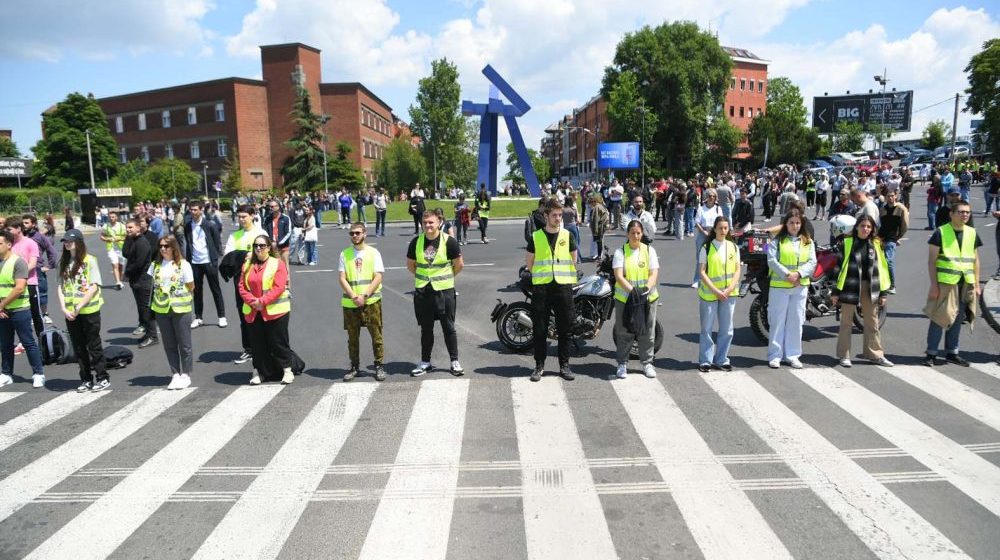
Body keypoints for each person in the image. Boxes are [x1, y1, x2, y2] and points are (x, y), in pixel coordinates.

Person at [922, 200, 981, 368]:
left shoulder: (972, 233)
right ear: (952, 214)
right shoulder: (940, 232)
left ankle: (952, 352)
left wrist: (976, 284)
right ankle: (931, 353)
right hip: (946, 283)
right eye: (961, 212)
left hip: (966, 283)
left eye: (967, 212)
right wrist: (934, 285)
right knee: (939, 318)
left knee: (957, 319)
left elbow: (976, 260)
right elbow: (931, 261)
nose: (965, 215)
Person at [831, 215, 894, 368]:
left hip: (870, 287)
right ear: (856, 227)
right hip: (849, 286)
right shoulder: (847, 243)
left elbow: (882, 269)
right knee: (846, 322)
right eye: (863, 226)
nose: (865, 229)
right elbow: (838, 269)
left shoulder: (876, 244)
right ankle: (844, 355)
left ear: (872, 229)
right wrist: (835, 292)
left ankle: (875, 354)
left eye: (868, 227)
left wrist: (883, 293)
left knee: (872, 322)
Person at [406, 210, 464, 376]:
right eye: (425, 223)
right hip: (424, 291)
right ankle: (425, 362)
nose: (428, 225)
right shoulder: (416, 242)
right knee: (426, 329)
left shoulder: (449, 241)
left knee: (448, 327)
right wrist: (425, 278)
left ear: (439, 222)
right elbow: (411, 265)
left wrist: (446, 278)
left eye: (431, 222)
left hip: (444, 291)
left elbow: (459, 264)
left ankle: (454, 361)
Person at [526, 198, 577, 382]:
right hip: (542, 288)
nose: (557, 218)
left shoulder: (567, 235)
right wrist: (541, 276)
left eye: (560, 215)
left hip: (563, 287)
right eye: (554, 215)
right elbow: (530, 263)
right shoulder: (536, 236)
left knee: (565, 329)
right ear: (546, 215)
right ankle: (539, 366)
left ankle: (564, 365)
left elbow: (573, 260)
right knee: (540, 329)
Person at [239, 235, 296, 385]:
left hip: (276, 311)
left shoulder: (277, 264)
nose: (258, 248)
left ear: (269, 248)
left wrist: (262, 302)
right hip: (253, 311)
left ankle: (287, 370)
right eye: (256, 245)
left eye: (262, 246)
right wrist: (253, 302)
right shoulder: (247, 265)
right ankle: (259, 371)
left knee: (278, 342)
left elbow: (278, 287)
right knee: (257, 344)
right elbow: (242, 287)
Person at [57, 229, 108, 392]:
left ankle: (102, 377)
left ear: (78, 242)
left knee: (93, 345)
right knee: (79, 347)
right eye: (65, 241)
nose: (67, 243)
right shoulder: (64, 262)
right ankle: (86, 379)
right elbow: (61, 286)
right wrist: (64, 308)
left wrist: (79, 306)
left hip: (88, 309)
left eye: (70, 241)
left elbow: (94, 286)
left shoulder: (89, 260)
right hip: (71, 312)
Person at [766, 212, 817, 369]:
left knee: (796, 321)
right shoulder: (777, 241)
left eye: (797, 223)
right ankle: (775, 355)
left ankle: (793, 355)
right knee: (777, 321)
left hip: (799, 286)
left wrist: (798, 274)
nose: (795, 226)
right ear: (785, 224)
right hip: (780, 286)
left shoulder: (808, 242)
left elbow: (812, 261)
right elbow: (772, 260)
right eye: (791, 223)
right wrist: (787, 275)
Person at [338, 223, 386, 381]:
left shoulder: (374, 253)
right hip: (351, 303)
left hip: (371, 301)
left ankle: (379, 365)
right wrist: (353, 296)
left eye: (357, 233)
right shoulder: (344, 254)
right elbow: (342, 278)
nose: (354, 236)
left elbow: (378, 276)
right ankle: (354, 366)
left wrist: (364, 296)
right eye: (351, 233)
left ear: (365, 234)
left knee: (376, 335)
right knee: (352, 337)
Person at [613, 220, 660, 378]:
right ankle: (622, 364)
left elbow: (653, 273)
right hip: (625, 299)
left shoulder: (649, 251)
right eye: (632, 233)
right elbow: (619, 276)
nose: (635, 236)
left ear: (642, 234)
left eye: (638, 233)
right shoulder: (621, 252)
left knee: (647, 331)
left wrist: (645, 290)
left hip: (647, 298)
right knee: (624, 331)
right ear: (627, 234)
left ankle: (647, 363)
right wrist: (633, 292)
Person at [149, 236, 195, 389]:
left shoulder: (184, 265)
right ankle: (175, 373)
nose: (163, 249)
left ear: (174, 248)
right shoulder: (155, 265)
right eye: (161, 246)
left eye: (166, 246)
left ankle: (186, 374)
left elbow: (191, 286)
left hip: (180, 308)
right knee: (169, 344)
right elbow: (152, 287)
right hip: (161, 308)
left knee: (184, 343)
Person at [0, 231, 45, 388]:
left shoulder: (18, 262)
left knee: (28, 342)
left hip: (19, 309)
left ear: (8, 245)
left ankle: (38, 373)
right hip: (3, 310)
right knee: (5, 344)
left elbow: (19, 288)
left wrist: (1, 305)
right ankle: (6, 373)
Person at [697, 216, 740, 372]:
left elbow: (737, 270)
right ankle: (705, 360)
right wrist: (716, 290)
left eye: (725, 228)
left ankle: (722, 359)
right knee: (707, 329)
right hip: (710, 293)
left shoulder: (733, 247)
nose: (723, 231)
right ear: (714, 229)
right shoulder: (707, 247)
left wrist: (728, 290)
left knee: (727, 329)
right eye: (720, 228)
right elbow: (702, 271)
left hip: (729, 294)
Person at [223, 205, 264, 365]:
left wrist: (248, 255)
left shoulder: (260, 233)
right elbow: (228, 256)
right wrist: (246, 255)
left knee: (261, 313)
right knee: (244, 314)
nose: (241, 219)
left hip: (259, 281)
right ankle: (248, 348)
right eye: (239, 216)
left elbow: (266, 256)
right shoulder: (234, 236)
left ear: (253, 216)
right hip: (240, 281)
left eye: (244, 216)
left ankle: (262, 347)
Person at [184, 201, 227, 329]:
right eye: (191, 210)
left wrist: (214, 260)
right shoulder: (187, 226)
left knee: (215, 289)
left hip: (208, 262)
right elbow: (188, 243)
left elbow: (216, 242)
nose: (193, 212)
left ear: (201, 210)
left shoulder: (210, 225)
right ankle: (198, 317)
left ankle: (222, 316)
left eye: (195, 209)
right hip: (195, 263)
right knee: (197, 291)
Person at [122, 218, 158, 348]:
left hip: (143, 281)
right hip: (136, 281)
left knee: (146, 310)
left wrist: (126, 273)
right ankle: (148, 334)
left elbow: (139, 263)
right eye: (127, 227)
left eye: (131, 227)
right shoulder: (133, 240)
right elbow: (125, 253)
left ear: (138, 228)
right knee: (141, 309)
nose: (128, 229)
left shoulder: (142, 242)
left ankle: (153, 336)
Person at [6, 217, 43, 338]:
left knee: (36, 314)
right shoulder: (9, 245)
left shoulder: (30, 243)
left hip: (30, 283)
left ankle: (42, 340)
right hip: (14, 285)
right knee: (21, 315)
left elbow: (32, 264)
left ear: (18, 229)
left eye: (9, 229)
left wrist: (18, 274)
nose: (7, 231)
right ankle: (26, 340)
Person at [22, 215, 57, 325]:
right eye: (23, 223)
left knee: (42, 292)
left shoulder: (39, 237)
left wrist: (49, 266)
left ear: (33, 224)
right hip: (22, 269)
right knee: (26, 293)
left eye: (27, 223)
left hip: (37, 269)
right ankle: (32, 315)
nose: (24, 225)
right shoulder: (20, 237)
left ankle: (45, 314)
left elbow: (52, 252)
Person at [878, 190, 909, 294]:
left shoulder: (900, 209)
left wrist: (898, 237)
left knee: (888, 261)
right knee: (880, 262)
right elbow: (880, 225)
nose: (890, 198)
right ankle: (883, 283)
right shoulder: (883, 209)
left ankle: (892, 285)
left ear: (896, 196)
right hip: (881, 238)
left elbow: (905, 225)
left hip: (892, 239)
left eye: (892, 196)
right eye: (888, 196)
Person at [691, 188, 722, 287]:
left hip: (714, 233)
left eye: (713, 196)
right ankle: (697, 280)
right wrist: (703, 231)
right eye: (709, 196)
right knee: (700, 258)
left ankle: (712, 279)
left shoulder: (718, 209)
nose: (711, 198)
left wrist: (714, 232)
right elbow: (697, 222)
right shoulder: (701, 208)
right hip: (702, 233)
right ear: (706, 197)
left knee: (713, 257)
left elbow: (720, 221)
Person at [265, 200, 293, 290]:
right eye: (270, 206)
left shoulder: (285, 218)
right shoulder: (268, 218)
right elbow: (265, 231)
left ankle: (287, 285)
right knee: (274, 266)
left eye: (273, 206)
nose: (271, 208)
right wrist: (269, 243)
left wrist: (278, 243)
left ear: (278, 207)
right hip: (272, 247)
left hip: (283, 247)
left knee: (285, 265)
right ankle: (277, 285)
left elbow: (288, 232)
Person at [98, 210, 126, 290]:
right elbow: (102, 236)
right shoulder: (106, 226)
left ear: (116, 217)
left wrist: (119, 238)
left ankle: (120, 280)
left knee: (120, 266)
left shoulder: (122, 226)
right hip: (111, 248)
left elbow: (127, 236)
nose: (111, 218)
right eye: (110, 217)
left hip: (121, 248)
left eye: (113, 217)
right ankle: (118, 282)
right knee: (115, 264)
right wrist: (107, 239)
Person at [588, 193, 610, 261]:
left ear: (595, 201)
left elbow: (595, 220)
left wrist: (595, 231)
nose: (590, 203)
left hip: (599, 227)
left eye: (591, 202)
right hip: (602, 226)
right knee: (599, 242)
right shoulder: (601, 206)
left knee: (599, 242)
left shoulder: (596, 208)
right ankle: (599, 255)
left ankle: (599, 256)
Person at [562, 193, 582, 261]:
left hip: (566, 226)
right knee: (576, 242)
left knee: (566, 243)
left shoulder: (563, 209)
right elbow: (578, 220)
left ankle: (568, 257)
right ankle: (578, 258)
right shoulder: (573, 209)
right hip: (573, 225)